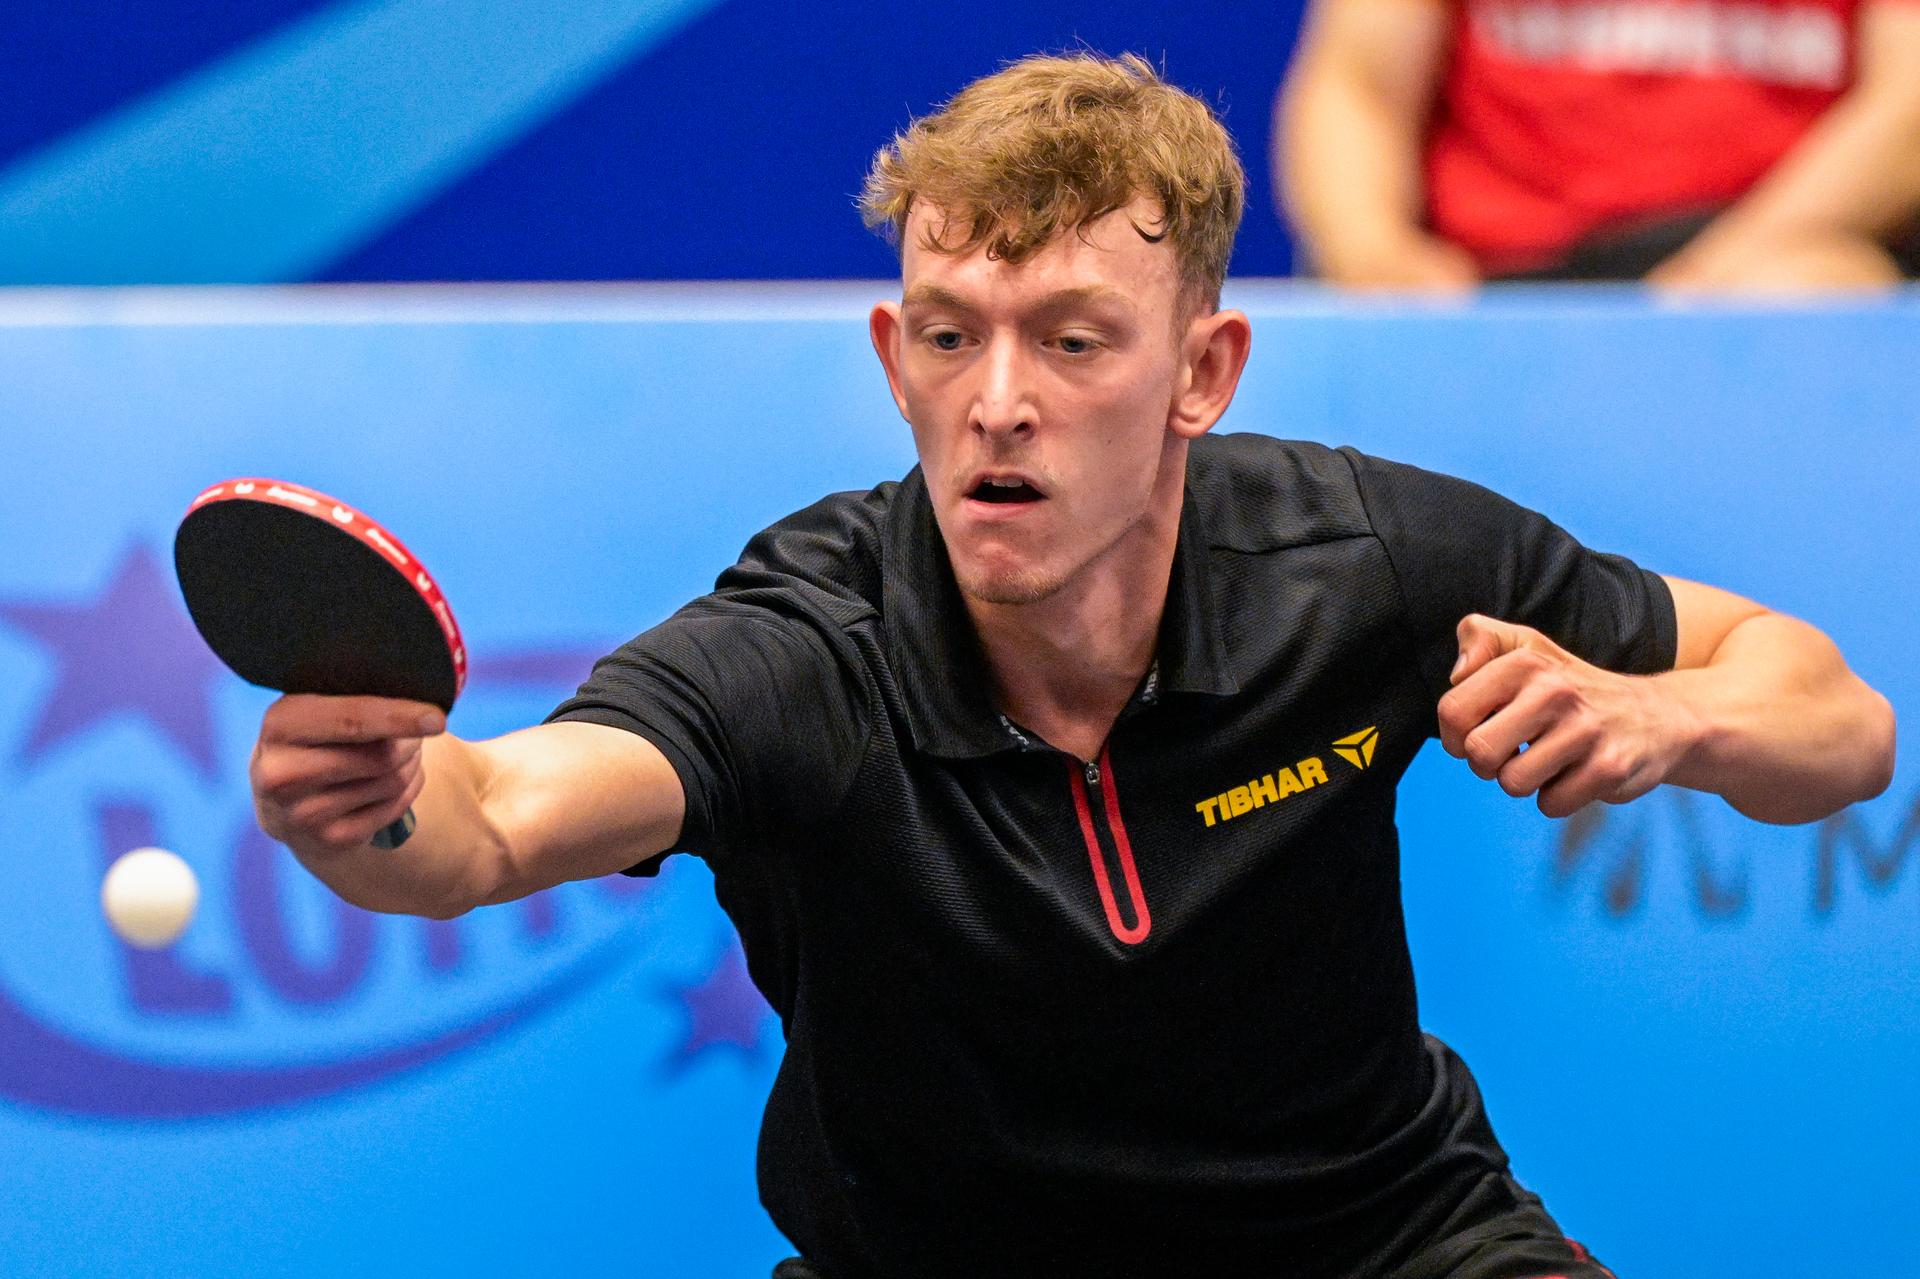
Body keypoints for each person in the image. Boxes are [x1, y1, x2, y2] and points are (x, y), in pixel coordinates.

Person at [249, 53, 1894, 1278]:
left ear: (1204, 369)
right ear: (896, 361)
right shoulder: (808, 638)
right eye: (953, 333)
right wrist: (375, 807)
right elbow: (497, 817)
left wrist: (1671, 713)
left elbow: (1837, 716)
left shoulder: (1365, 558)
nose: (1001, 397)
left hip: (1378, 1239)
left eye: (1075, 338)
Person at [1276, 0, 1920, 289]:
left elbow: (1906, 106)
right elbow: (1357, 89)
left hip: (1764, 257)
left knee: (1814, 291)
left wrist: (1728, 270)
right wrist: (1373, 251)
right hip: (1496, 283)